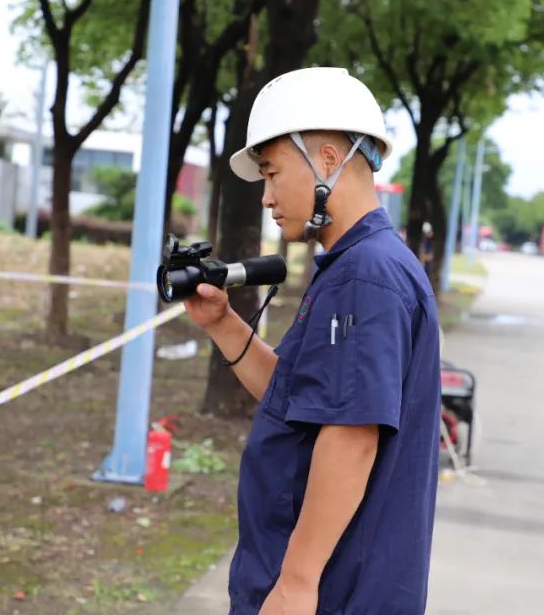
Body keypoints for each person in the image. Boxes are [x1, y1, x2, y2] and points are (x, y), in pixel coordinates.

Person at [184, 67, 441, 615]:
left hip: (334, 593)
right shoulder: (357, 265)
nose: (267, 198)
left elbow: (351, 436)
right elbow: (298, 399)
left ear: (327, 159)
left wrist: (297, 582)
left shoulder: (366, 276)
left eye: (273, 174)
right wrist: (222, 322)